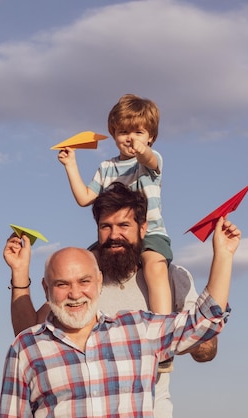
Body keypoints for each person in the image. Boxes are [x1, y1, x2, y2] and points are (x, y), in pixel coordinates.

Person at [5, 183, 218, 417]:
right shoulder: (84, 285)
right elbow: (30, 337)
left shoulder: (172, 278)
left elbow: (206, 349)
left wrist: (157, 341)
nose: (114, 235)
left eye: (124, 225)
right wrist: (19, 271)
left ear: (143, 228)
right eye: (106, 226)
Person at [57, 93, 172, 316]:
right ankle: (79, 318)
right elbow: (84, 198)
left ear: (151, 137)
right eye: (124, 132)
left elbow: (151, 160)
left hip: (151, 233)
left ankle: (163, 324)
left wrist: (143, 152)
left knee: (155, 266)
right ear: (114, 134)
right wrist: (70, 164)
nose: (131, 139)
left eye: (139, 133)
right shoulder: (107, 167)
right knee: (84, 263)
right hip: (115, 236)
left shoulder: (149, 161)